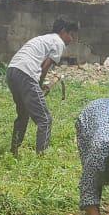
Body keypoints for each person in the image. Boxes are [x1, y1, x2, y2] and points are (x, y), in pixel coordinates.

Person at [7, 17, 80, 156]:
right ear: (63, 32)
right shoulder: (59, 42)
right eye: (71, 35)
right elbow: (45, 66)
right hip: (26, 74)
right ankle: (42, 157)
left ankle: (14, 151)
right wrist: (39, 86)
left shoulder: (44, 38)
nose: (72, 39)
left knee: (23, 114)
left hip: (12, 71)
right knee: (45, 119)